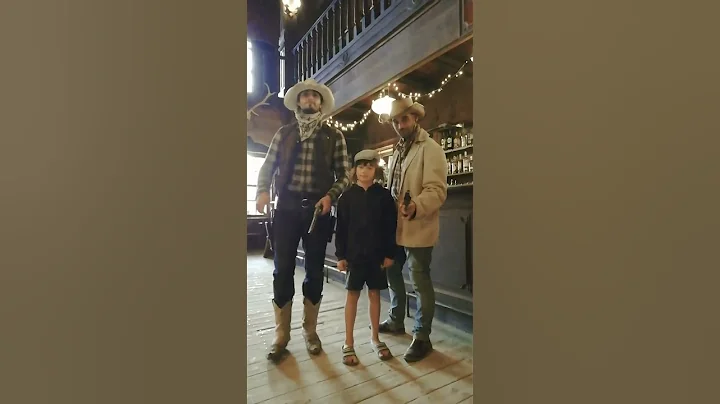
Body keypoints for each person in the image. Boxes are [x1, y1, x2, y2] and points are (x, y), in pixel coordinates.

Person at [255, 79, 351, 362]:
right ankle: (281, 335)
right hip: (285, 210)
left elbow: (345, 174)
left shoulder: (334, 136)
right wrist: (261, 190)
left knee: (313, 271)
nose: (310, 99)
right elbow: (268, 166)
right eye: (305, 96)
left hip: (317, 212)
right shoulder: (283, 134)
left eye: (315, 96)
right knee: (281, 270)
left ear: (320, 103)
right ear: (298, 102)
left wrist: (330, 196)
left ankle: (310, 331)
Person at [376, 97, 448, 362]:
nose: (399, 125)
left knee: (419, 280)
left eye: (404, 119)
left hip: (418, 223)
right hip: (394, 226)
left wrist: (416, 206)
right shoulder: (397, 150)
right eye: (395, 121)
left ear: (415, 118)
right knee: (393, 272)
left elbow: (437, 190)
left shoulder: (431, 149)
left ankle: (422, 336)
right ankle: (397, 319)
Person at [334, 149, 398, 366]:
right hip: (354, 255)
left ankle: (375, 338)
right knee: (352, 295)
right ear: (354, 170)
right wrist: (340, 255)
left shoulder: (384, 196)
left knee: (374, 294)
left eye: (369, 167)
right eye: (361, 166)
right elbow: (340, 228)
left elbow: (390, 227)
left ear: (376, 170)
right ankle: (348, 342)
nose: (364, 171)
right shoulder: (346, 197)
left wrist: (390, 253)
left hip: (377, 255)